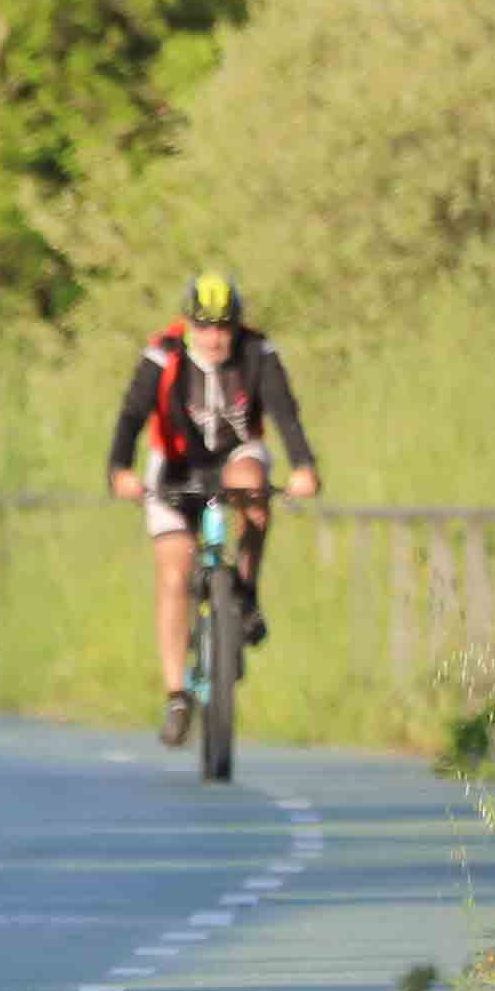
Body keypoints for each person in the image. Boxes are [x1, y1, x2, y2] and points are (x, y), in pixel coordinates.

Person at [105, 270, 321, 743]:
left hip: (234, 455)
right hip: (176, 464)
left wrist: (304, 466)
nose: (215, 337)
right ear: (188, 325)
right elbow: (131, 415)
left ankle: (244, 590)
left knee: (253, 487)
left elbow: (285, 414)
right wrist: (119, 468)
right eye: (205, 326)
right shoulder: (163, 355)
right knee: (175, 573)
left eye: (225, 326)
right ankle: (176, 695)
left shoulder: (257, 354)